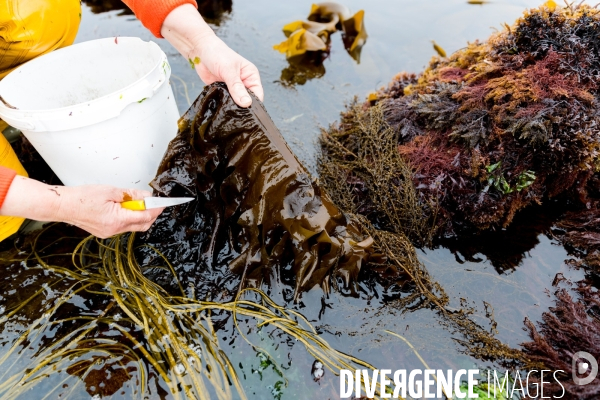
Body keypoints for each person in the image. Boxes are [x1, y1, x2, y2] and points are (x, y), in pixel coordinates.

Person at [0, 0, 263, 240]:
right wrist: (61, 206)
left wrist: (201, 43)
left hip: (29, 70)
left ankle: (26, 121)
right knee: (14, 220)